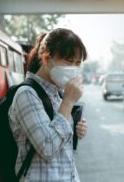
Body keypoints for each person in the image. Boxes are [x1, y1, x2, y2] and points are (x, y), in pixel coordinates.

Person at [9, 28, 88, 181]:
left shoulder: (57, 94)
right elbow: (48, 148)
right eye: (69, 61)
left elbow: (62, 149)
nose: (74, 68)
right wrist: (69, 101)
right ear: (46, 59)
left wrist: (76, 127)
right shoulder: (26, 94)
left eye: (78, 63)